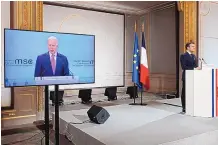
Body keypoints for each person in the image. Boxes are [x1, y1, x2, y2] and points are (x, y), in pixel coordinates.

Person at [180, 42, 200, 113]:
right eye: (192, 46)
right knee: (185, 92)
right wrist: (194, 68)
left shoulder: (194, 56)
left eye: (194, 46)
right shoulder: (183, 55)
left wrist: (198, 68)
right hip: (186, 77)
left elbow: (195, 65)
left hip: (193, 77)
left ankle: (192, 106)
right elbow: (184, 67)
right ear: (188, 47)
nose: (194, 48)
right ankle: (184, 107)